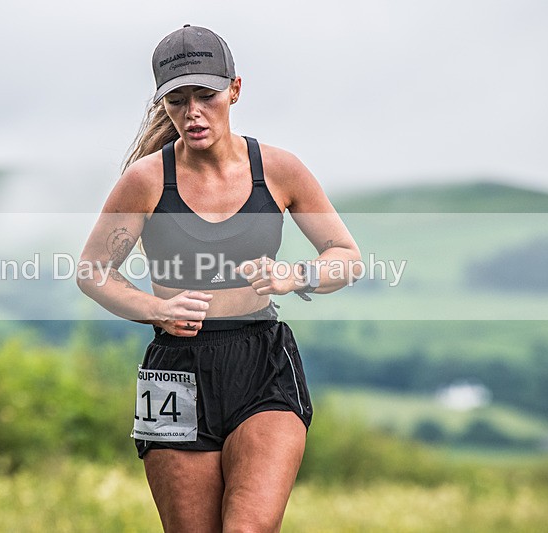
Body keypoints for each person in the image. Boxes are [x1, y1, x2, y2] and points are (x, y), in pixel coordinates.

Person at [78, 24, 361, 533]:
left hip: (263, 363)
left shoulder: (278, 170)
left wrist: (295, 275)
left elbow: (346, 256)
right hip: (175, 370)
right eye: (177, 100)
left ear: (234, 89)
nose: (193, 113)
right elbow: (94, 271)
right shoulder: (145, 180)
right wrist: (156, 309)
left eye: (206, 96)